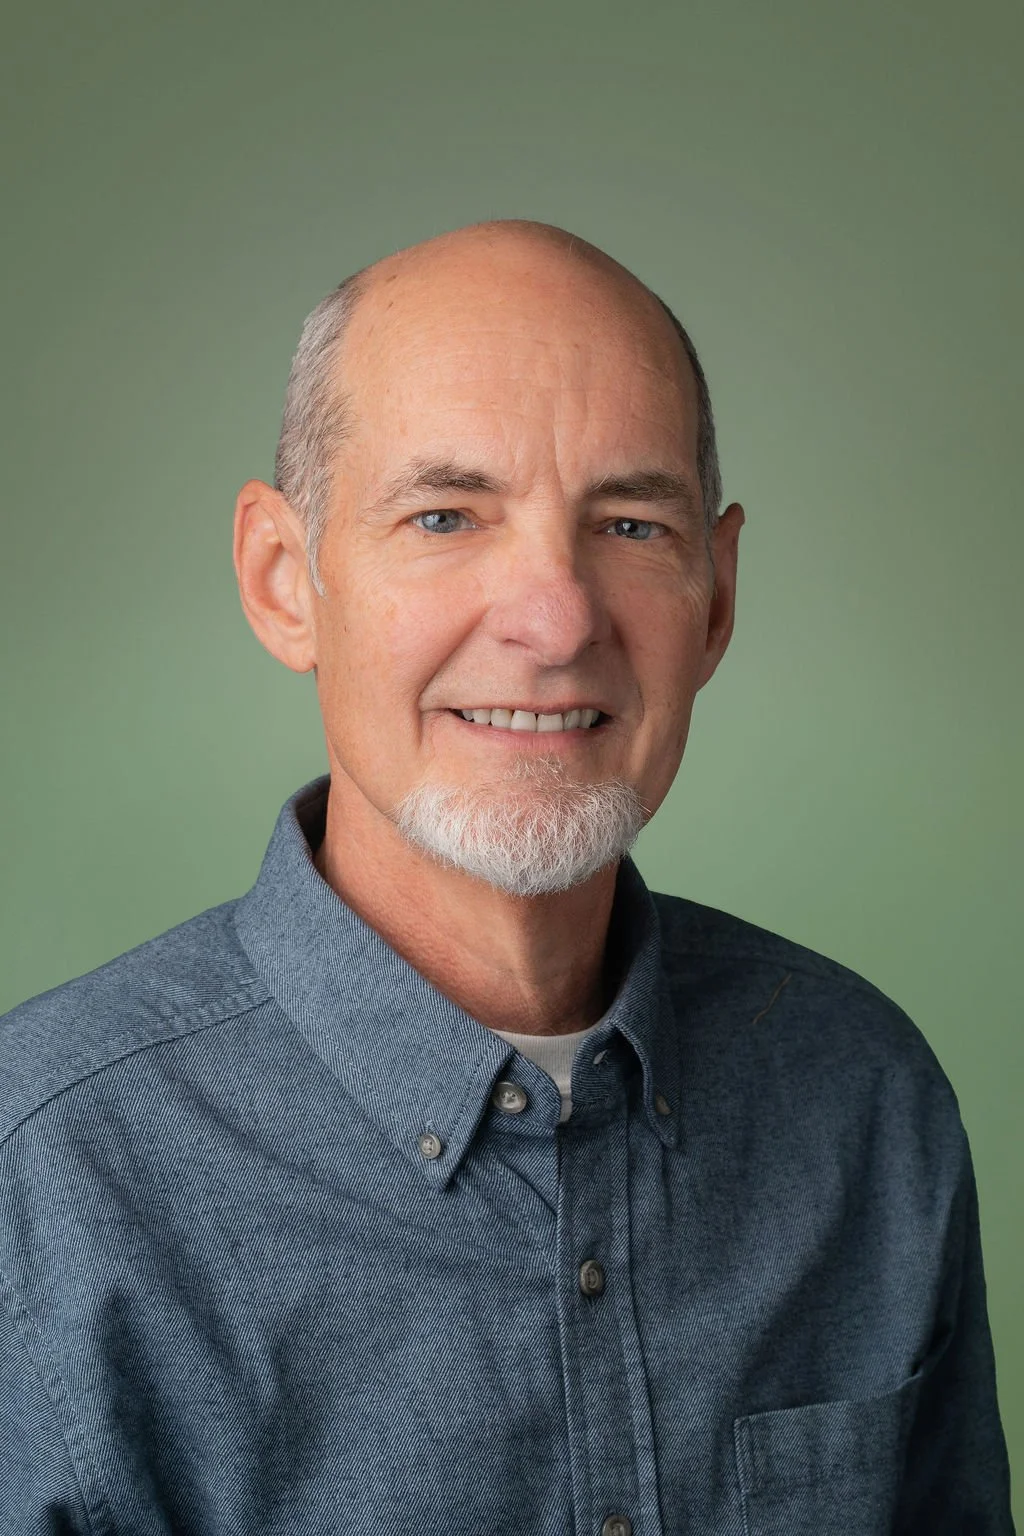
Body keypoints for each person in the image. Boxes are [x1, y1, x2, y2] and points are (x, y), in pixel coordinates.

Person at [0, 219, 1013, 1535]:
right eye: (445, 516)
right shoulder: (47, 1177)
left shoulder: (864, 1100)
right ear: (283, 580)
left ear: (715, 600)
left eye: (631, 524)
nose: (557, 617)